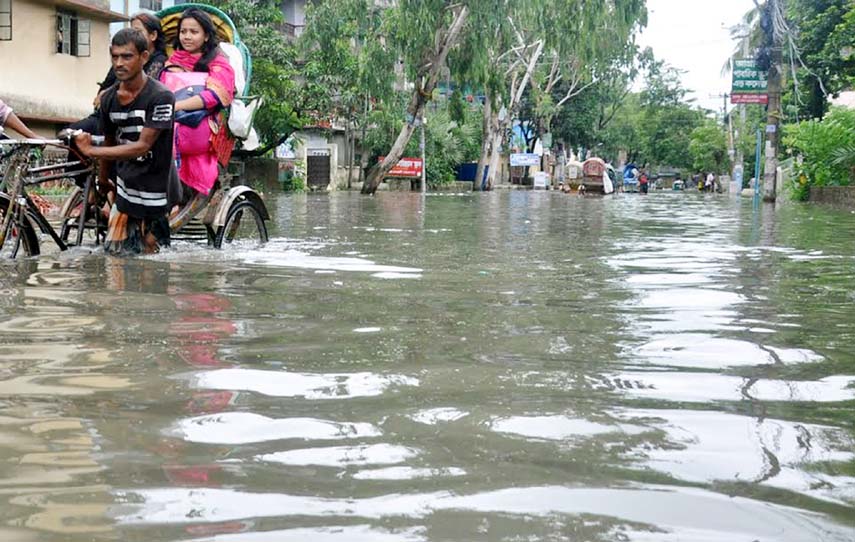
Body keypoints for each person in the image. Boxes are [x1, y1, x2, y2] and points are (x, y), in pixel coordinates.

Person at [74, 28, 175, 255]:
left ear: (144, 57)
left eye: (127, 56)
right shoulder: (109, 98)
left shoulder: (161, 97)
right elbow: (109, 141)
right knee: (116, 259)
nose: (119, 63)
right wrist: (102, 180)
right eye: (115, 57)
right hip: (125, 183)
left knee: (153, 262)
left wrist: (91, 151)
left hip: (155, 186)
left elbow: (142, 146)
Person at [161, 7, 235, 202]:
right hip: (171, 114)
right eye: (183, 31)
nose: (187, 37)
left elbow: (216, 96)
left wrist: (177, 105)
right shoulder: (172, 61)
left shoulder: (219, 63)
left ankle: (172, 197)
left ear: (206, 36)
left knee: (168, 134)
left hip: (203, 122)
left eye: (194, 32)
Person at [70, 13, 168, 136]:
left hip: (134, 117)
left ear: (153, 35)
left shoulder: (159, 63)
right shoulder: (119, 62)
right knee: (72, 133)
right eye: (115, 57)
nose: (119, 62)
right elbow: (104, 90)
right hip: (107, 115)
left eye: (138, 31)